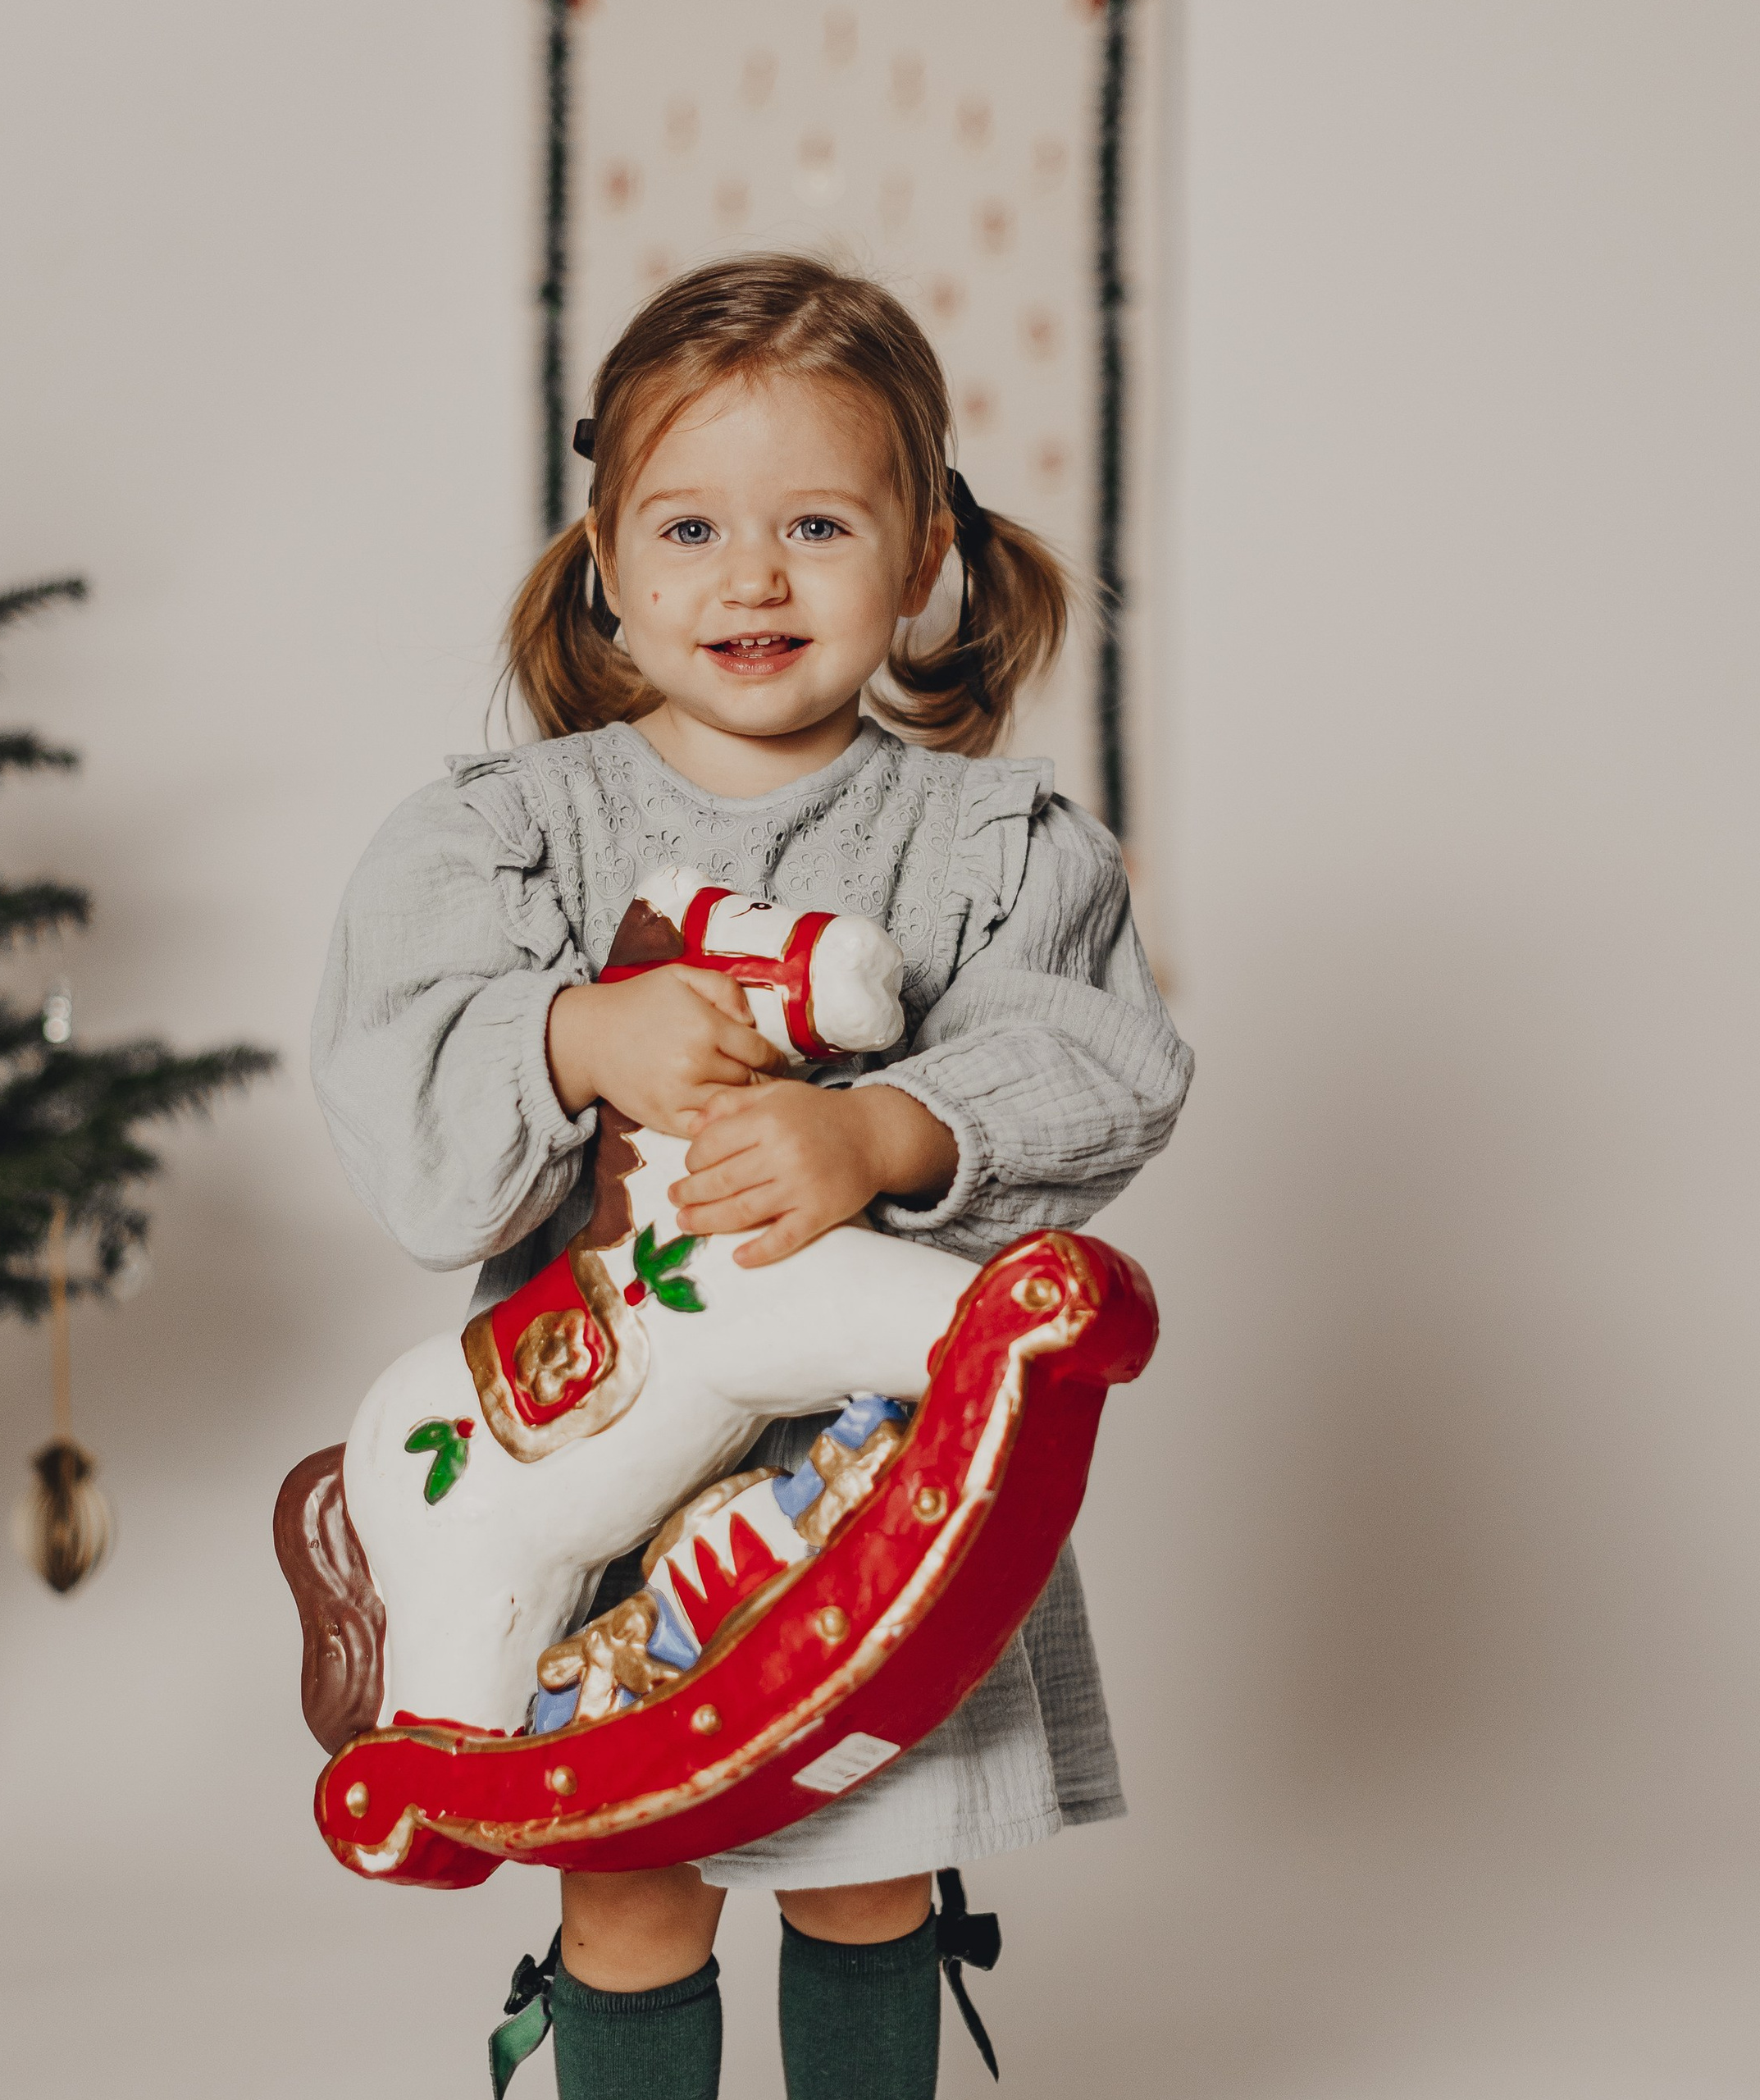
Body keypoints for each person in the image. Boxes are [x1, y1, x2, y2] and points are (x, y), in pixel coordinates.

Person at [312, 253, 1193, 2100]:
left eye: (817, 524)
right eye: (692, 525)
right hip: (613, 1495)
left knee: (865, 1875)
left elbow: (1101, 1061)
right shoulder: (508, 835)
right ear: (606, 556)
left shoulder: (990, 843)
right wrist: (574, 1035)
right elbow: (407, 1107)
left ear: (922, 551)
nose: (752, 578)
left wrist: (883, 1129)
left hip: (883, 1508)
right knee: (630, 1892)